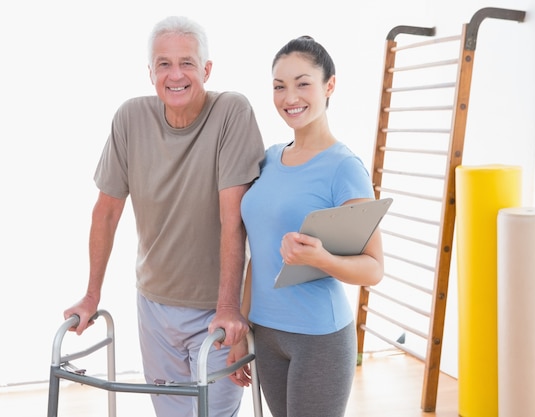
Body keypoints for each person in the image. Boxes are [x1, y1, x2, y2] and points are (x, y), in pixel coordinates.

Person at [63, 16, 265, 417]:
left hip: (215, 307)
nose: (176, 75)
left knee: (215, 413)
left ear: (206, 69)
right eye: (164, 64)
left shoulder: (231, 111)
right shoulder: (130, 119)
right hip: (154, 306)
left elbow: (234, 219)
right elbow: (105, 213)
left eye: (187, 63)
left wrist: (229, 307)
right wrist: (91, 296)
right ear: (151, 72)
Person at [227, 36, 385, 417]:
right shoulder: (267, 159)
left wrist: (323, 257)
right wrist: (242, 326)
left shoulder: (343, 168)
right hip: (266, 333)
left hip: (319, 337)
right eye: (279, 87)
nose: (289, 97)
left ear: (329, 86)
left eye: (302, 83)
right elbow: (258, 254)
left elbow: (373, 269)